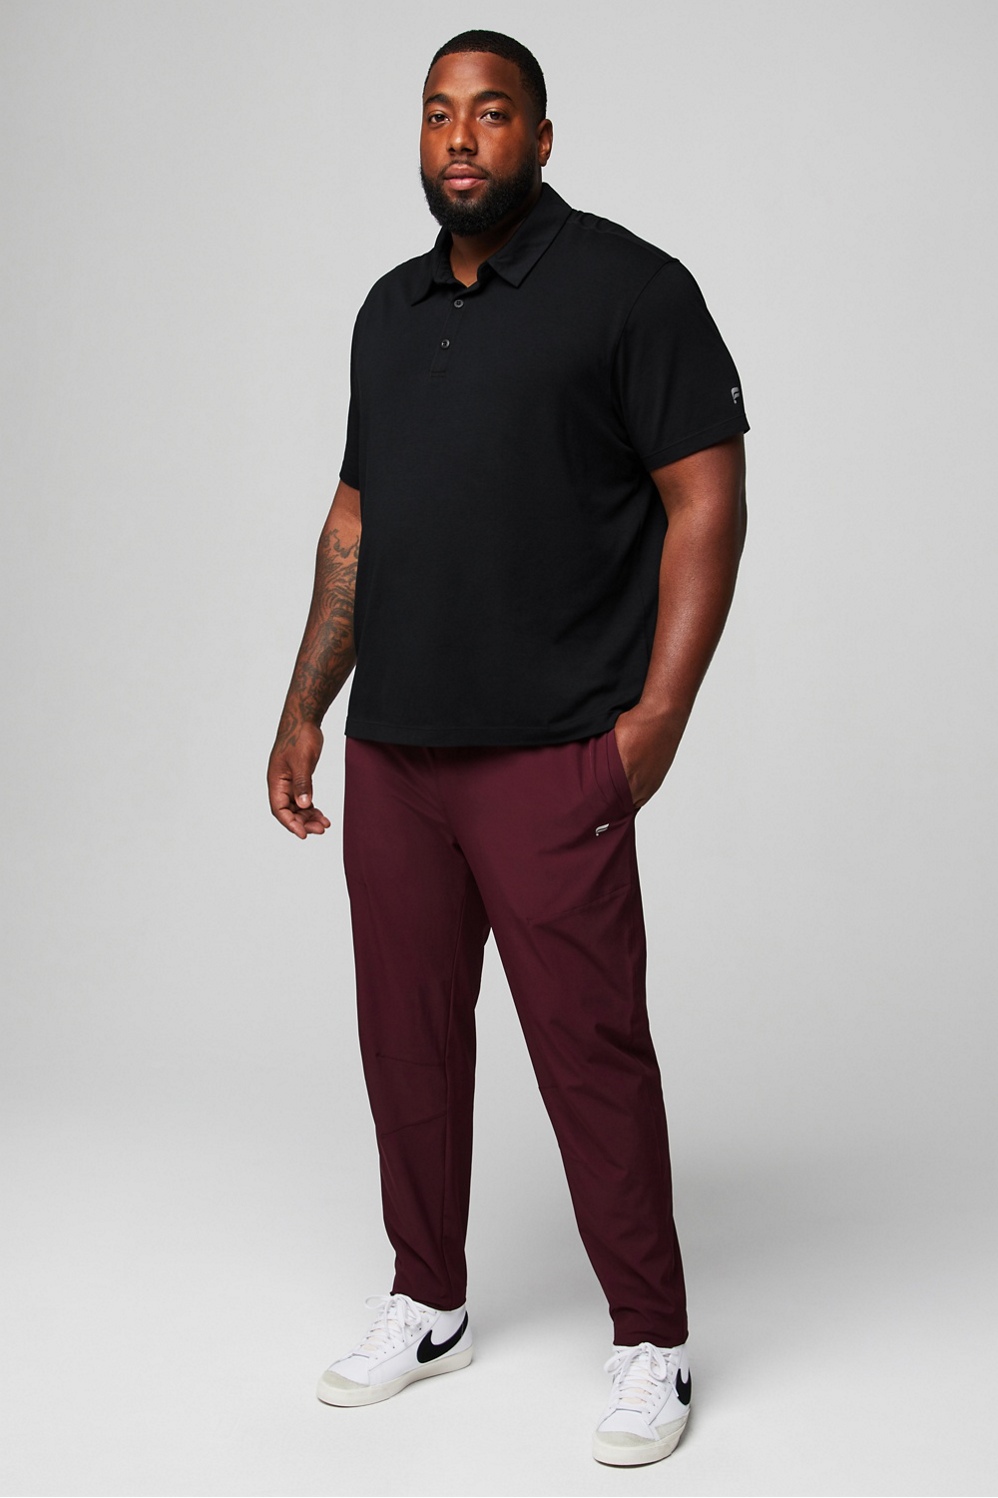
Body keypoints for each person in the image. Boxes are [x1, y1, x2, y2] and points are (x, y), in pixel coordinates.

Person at [267, 28, 748, 1468]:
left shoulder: (633, 290)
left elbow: (707, 499)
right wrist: (303, 706)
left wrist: (655, 720)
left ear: (541, 136)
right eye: (437, 115)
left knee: (590, 1050)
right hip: (396, 750)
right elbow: (356, 521)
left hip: (552, 752)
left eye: (489, 114)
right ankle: (427, 1300)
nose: (460, 139)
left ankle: (650, 1339)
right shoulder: (387, 309)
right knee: (406, 1041)